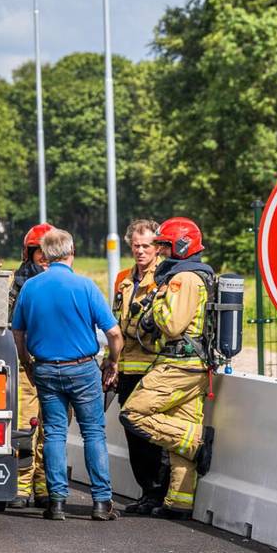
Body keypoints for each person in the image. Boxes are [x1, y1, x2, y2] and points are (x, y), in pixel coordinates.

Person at [11, 228, 124, 521]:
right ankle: (101, 502)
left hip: (46, 368)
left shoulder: (30, 288)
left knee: (54, 435)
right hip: (83, 368)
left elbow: (18, 331)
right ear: (71, 252)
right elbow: (113, 332)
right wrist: (113, 361)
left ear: (45, 255)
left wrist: (26, 361)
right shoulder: (85, 287)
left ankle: (57, 502)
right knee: (93, 433)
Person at [119, 217, 217, 519]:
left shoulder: (182, 278)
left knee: (132, 413)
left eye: (164, 244)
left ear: (181, 245)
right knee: (181, 426)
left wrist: (155, 309)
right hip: (196, 365)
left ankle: (196, 444)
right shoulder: (199, 275)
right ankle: (179, 502)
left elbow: (172, 324)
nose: (160, 250)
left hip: (178, 363)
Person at [0, 223, 53, 508]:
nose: (44, 257)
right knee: (24, 429)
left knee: (50, 431)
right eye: (38, 252)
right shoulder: (12, 283)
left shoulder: (65, 283)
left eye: (49, 251)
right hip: (23, 367)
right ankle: (20, 488)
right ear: (27, 254)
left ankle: (44, 488)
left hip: (54, 367)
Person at [105, 219, 169, 514]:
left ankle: (157, 491)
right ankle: (146, 491)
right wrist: (112, 362)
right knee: (132, 431)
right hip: (128, 367)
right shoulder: (123, 278)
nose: (141, 251)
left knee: (150, 432)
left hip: (154, 366)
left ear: (158, 247)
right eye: (136, 246)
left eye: (147, 246)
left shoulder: (166, 276)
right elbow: (115, 324)